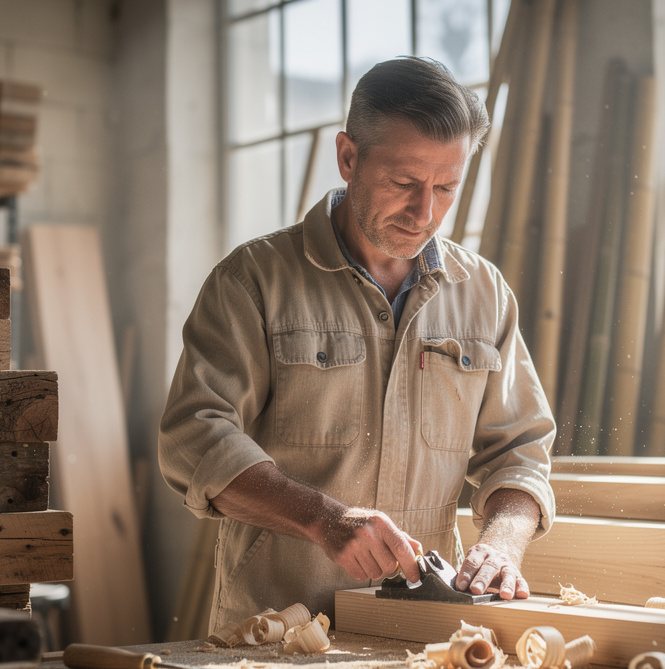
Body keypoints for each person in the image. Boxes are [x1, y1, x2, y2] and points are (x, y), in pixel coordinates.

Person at [158, 56, 555, 631]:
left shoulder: (484, 294)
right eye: (404, 184)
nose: (424, 213)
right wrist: (322, 519)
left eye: (446, 188)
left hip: (426, 633)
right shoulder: (253, 281)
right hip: (275, 633)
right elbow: (194, 438)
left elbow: (520, 450)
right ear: (348, 157)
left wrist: (503, 542)